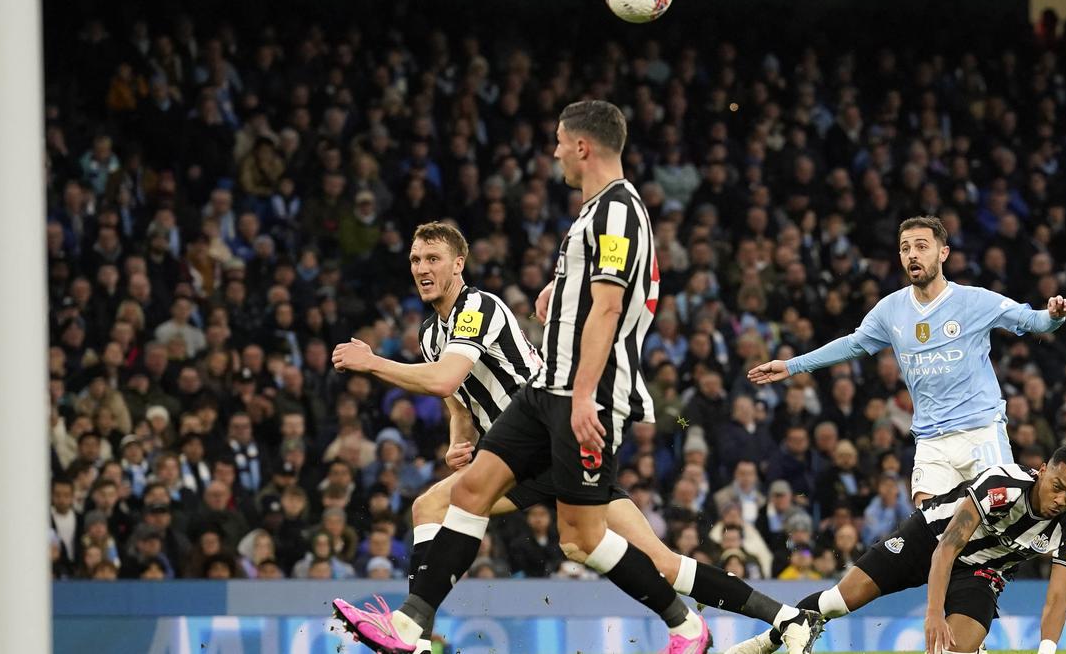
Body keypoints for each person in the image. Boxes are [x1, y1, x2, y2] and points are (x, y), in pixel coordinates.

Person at [330, 215, 817, 652]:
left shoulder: (477, 307)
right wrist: (460, 439)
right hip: (527, 453)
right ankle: (781, 617)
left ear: (459, 264)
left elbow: (442, 379)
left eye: (433, 258)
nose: (422, 268)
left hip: (547, 438)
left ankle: (412, 630)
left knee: (451, 508)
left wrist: (371, 363)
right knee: (650, 560)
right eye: (416, 259)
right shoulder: (432, 333)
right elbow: (456, 399)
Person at [747, 215, 1066, 599]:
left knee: (1007, 515)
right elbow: (853, 344)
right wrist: (792, 365)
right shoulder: (891, 310)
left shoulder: (974, 301)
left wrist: (1054, 316)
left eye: (921, 246)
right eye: (905, 248)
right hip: (931, 439)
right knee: (932, 529)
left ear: (943, 253)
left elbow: (1033, 321)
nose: (912, 255)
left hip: (980, 430)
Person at [728, 446, 1066, 654]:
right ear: (1042, 470)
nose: (1061, 499)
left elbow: (1057, 598)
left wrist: (1046, 651)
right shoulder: (1001, 485)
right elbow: (946, 549)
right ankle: (767, 641)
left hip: (981, 572)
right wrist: (933, 614)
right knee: (838, 602)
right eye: (1057, 486)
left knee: (953, 651)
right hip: (929, 538)